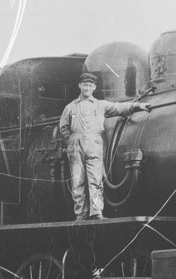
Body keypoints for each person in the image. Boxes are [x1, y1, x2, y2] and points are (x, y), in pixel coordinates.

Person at [58, 72, 150, 220]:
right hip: (75, 145)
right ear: (80, 85)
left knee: (95, 180)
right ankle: (80, 215)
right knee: (77, 182)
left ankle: (96, 212)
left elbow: (119, 107)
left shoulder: (101, 105)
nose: (87, 88)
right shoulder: (70, 107)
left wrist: (139, 106)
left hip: (94, 144)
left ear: (94, 87)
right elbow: (63, 127)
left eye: (90, 85)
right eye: (85, 85)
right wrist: (72, 140)